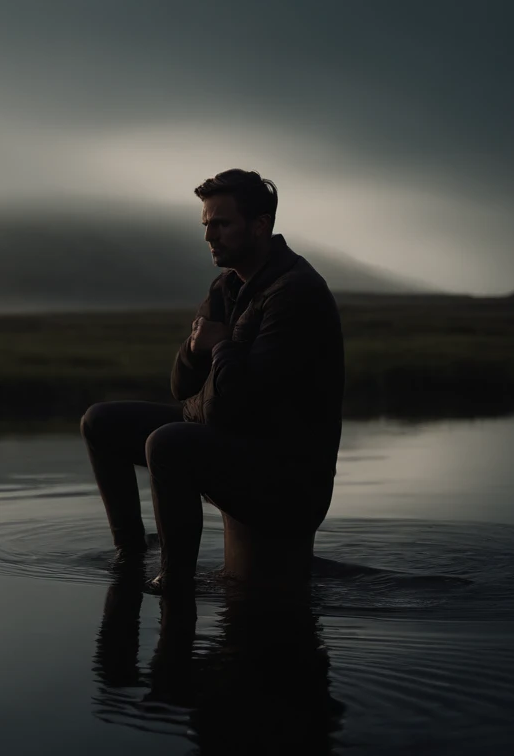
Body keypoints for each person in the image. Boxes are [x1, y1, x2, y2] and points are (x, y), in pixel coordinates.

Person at [80, 169, 344, 592]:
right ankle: (130, 554)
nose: (209, 236)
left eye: (221, 223)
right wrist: (196, 348)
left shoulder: (295, 294)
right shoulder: (227, 286)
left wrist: (220, 347)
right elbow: (180, 387)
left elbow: (233, 407)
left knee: (168, 443)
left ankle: (176, 581)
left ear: (260, 225)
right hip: (231, 436)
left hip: (287, 476)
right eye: (206, 224)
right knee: (100, 422)